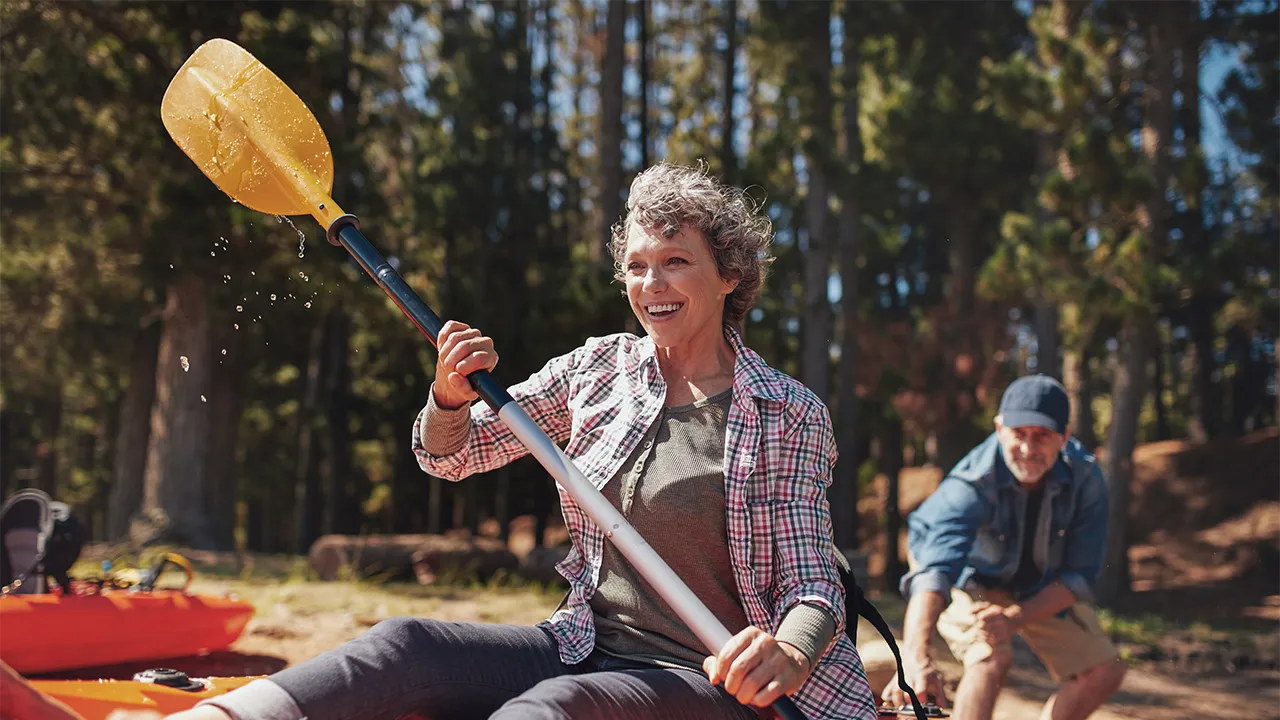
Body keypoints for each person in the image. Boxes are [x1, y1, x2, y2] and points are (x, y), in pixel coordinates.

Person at [49, 162, 873, 720]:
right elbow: (453, 455)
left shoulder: (784, 412)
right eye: (636, 265)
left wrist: (791, 653)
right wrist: (447, 397)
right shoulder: (599, 372)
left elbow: (812, 586)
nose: (651, 285)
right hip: (584, 639)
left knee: (547, 712)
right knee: (404, 644)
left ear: (729, 275)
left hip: (708, 682)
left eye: (677, 263)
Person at [881, 375, 1127, 720]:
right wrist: (916, 659)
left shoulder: (1086, 479)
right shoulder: (971, 482)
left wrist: (1016, 617)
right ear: (999, 429)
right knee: (990, 657)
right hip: (966, 576)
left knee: (1105, 670)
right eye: (1019, 434)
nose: (1028, 449)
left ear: (1064, 437)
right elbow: (935, 573)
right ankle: (889, 658)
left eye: (1042, 436)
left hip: (1034, 584)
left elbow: (1077, 577)